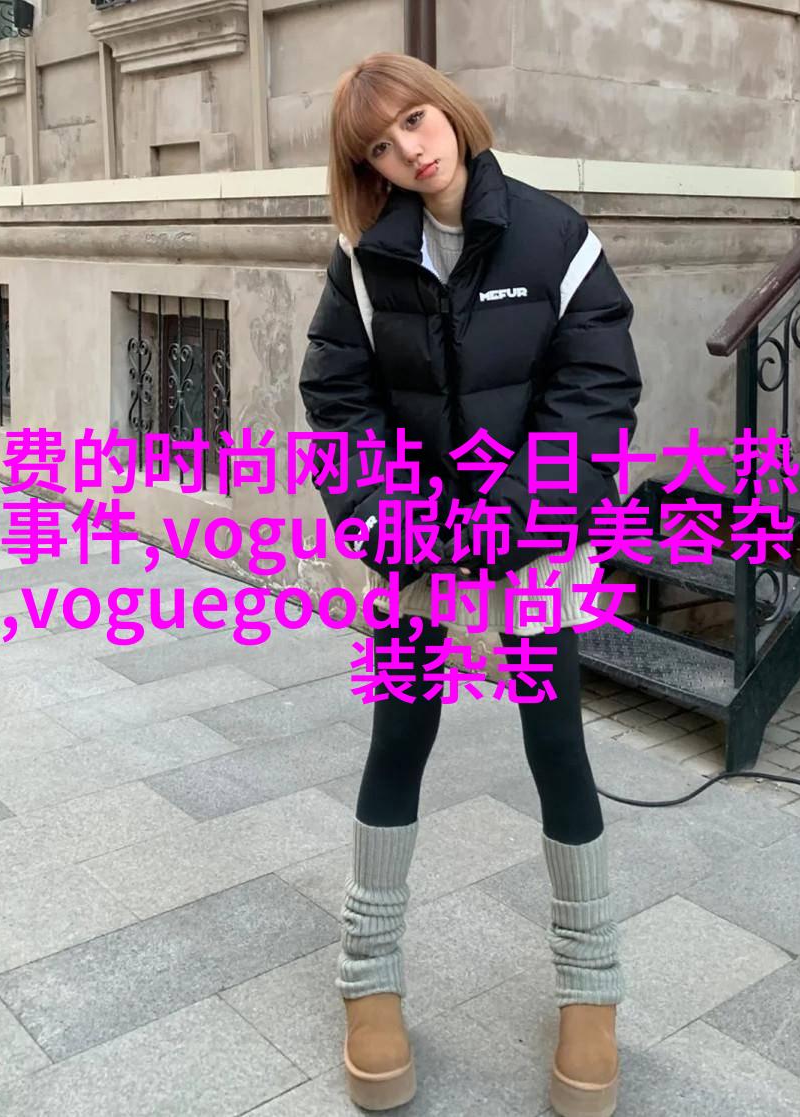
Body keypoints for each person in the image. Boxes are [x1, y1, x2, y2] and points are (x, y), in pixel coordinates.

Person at [297, 51, 642, 1117]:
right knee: (398, 738)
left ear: (445, 108)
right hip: (413, 550)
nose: (410, 147)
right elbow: (339, 402)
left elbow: (595, 391)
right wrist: (395, 523)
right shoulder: (363, 263)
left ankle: (591, 990)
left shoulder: (554, 238)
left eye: (414, 119)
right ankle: (368, 977)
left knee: (557, 747)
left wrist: (517, 522)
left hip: (532, 546)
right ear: (369, 167)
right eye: (381, 144)